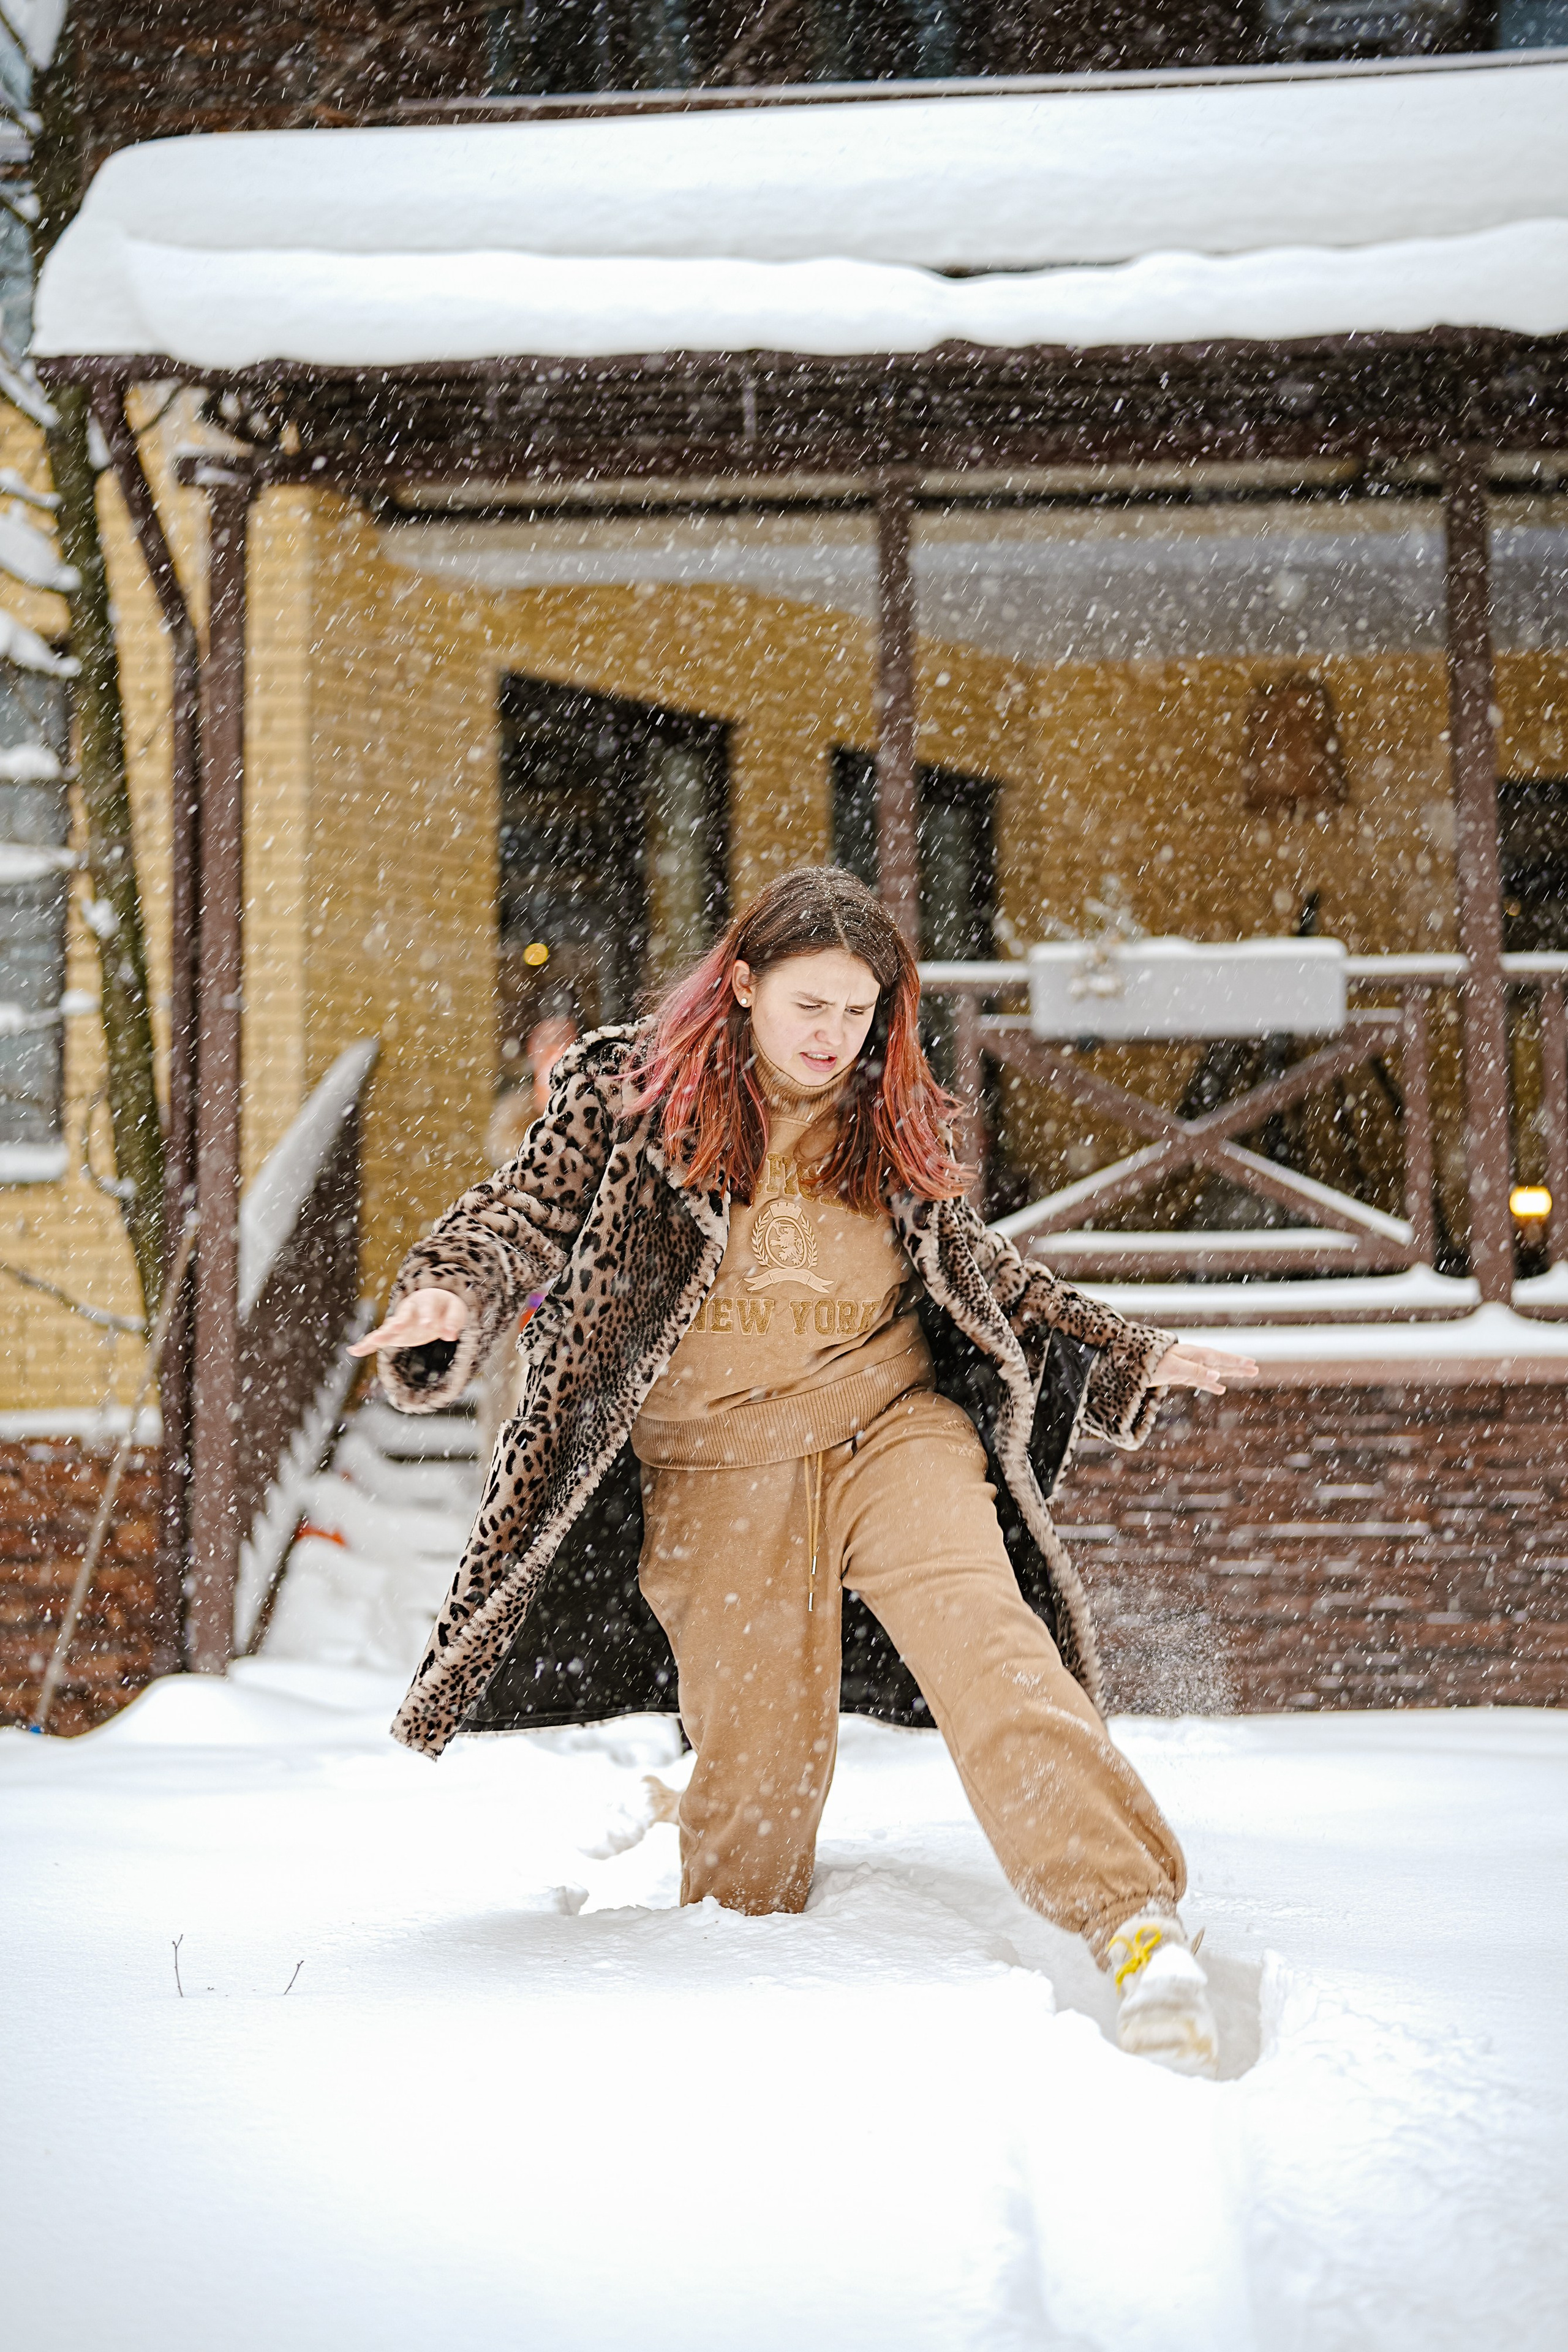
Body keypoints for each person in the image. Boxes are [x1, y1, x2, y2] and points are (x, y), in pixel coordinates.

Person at [353, 867, 1256, 2075]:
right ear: (740, 986)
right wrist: (449, 1295)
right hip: (719, 1472)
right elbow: (516, 1217)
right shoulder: (629, 1097)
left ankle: (1132, 1921)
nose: (836, 1037)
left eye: (859, 1010)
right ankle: (739, 2006)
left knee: (988, 1645)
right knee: (755, 1814)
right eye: (809, 1007)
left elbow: (980, 1268)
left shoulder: (885, 1109)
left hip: (890, 1430)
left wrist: (1128, 1349)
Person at [476, 1014, 580, 1460]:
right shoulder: (514, 1136)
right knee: (508, 1410)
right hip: (522, 1291)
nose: (554, 1057)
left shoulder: (599, 1128)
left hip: (576, 1297)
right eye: (546, 1046)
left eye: (564, 1046)